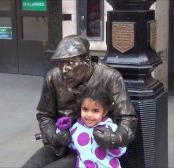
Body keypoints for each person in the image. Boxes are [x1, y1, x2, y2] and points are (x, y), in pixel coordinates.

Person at [22, 34, 138, 168]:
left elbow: (128, 118)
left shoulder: (110, 77)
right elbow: (44, 115)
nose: (64, 70)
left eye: (70, 63)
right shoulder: (53, 77)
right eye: (61, 63)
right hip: (61, 144)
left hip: (93, 148)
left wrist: (114, 138)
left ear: (86, 61)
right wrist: (54, 135)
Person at [56, 86, 127, 168]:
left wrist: (110, 142)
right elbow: (70, 143)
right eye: (85, 109)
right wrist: (62, 129)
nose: (89, 115)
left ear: (104, 112)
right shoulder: (76, 127)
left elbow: (122, 150)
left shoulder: (110, 127)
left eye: (95, 111)